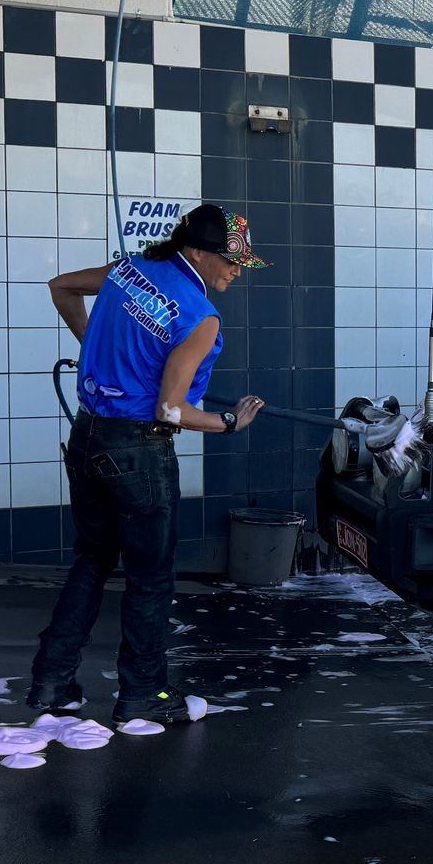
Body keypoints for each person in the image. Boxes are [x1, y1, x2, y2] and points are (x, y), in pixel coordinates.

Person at [27, 204, 268, 724]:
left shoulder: (128, 269)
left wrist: (94, 344)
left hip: (88, 434)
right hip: (139, 451)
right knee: (151, 578)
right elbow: (171, 410)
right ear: (199, 252)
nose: (236, 270)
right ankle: (144, 697)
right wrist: (228, 422)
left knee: (92, 561)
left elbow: (60, 286)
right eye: (230, 260)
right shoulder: (201, 317)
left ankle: (51, 683)